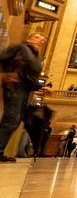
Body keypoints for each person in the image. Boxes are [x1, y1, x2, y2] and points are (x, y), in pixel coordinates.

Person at [0, 33, 48, 162]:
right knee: (11, 120)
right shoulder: (21, 48)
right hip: (15, 87)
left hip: (25, 89)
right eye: (37, 37)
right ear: (29, 39)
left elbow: (29, 76)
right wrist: (5, 74)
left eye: (43, 39)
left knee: (14, 121)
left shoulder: (36, 56)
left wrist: (40, 88)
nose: (41, 40)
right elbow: (2, 57)